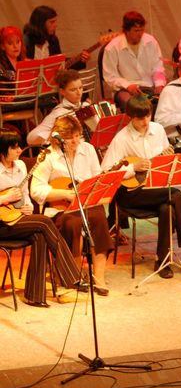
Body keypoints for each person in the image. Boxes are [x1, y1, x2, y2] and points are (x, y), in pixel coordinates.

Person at [101, 95, 181, 278]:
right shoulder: (121, 139)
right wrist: (133, 168)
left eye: (148, 116)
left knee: (167, 208)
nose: (145, 121)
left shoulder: (158, 130)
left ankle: (162, 261)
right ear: (130, 117)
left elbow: (165, 161)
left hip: (156, 188)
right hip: (130, 193)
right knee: (176, 195)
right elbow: (106, 173)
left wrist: (166, 159)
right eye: (140, 118)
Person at [30, 116, 114, 295]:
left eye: (77, 136)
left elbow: (97, 177)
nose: (75, 141)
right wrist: (63, 194)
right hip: (60, 208)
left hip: (86, 203)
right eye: (69, 138)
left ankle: (99, 276)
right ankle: (73, 274)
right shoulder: (48, 156)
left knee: (99, 217)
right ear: (58, 138)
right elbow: (35, 190)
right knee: (73, 224)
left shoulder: (88, 149)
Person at [0, 128, 83, 307]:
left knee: (40, 236)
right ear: (2, 150)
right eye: (14, 147)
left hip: (17, 218)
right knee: (44, 222)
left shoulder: (21, 166)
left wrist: (28, 207)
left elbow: (25, 195)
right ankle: (72, 275)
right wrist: (5, 198)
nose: (19, 150)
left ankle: (35, 295)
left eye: (19, 146)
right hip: (1, 224)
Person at [102, 11, 167, 111]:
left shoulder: (151, 41)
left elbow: (158, 68)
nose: (140, 34)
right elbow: (110, 76)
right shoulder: (112, 48)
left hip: (149, 86)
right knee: (133, 106)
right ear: (126, 31)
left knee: (166, 101)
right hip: (124, 90)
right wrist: (127, 85)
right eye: (136, 30)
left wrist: (159, 84)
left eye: (142, 30)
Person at [27, 69, 92, 146]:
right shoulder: (58, 113)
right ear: (62, 92)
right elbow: (31, 138)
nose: (79, 93)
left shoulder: (86, 106)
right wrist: (57, 137)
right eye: (73, 90)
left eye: (80, 88)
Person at [23, 5, 89, 69]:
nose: (55, 25)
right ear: (40, 24)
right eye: (52, 22)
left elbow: (60, 64)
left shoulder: (53, 40)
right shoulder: (26, 41)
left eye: (55, 22)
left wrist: (81, 60)